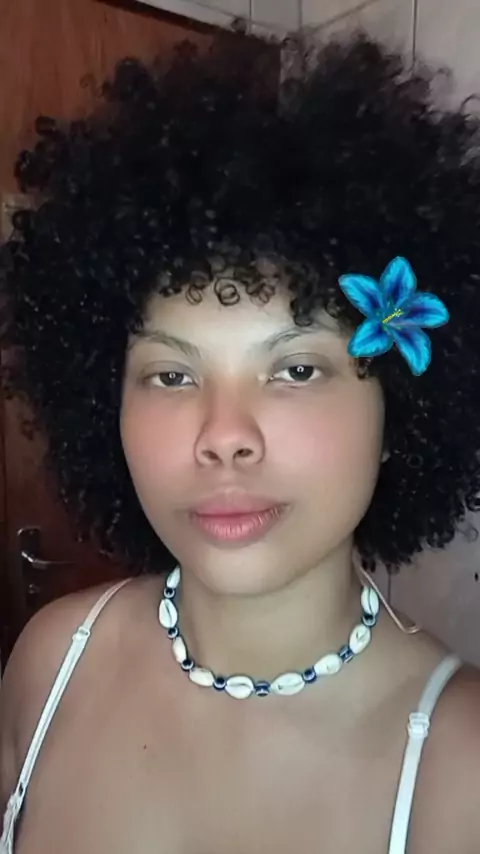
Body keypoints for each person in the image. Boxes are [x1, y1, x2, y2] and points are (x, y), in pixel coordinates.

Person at [1, 30, 480, 854]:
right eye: (171, 375)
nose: (224, 437)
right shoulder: (48, 663)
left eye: (295, 369)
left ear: (398, 411)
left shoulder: (461, 773)